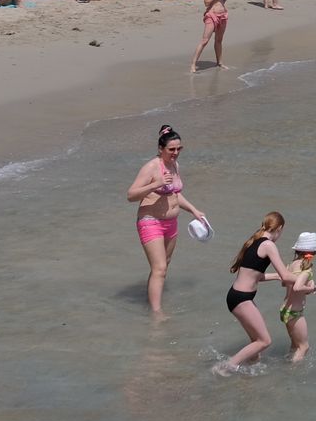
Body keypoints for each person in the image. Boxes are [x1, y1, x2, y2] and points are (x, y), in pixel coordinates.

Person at [127, 124, 207, 315]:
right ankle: (157, 314)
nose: (176, 153)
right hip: (150, 221)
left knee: (163, 266)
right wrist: (156, 184)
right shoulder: (151, 167)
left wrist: (193, 210)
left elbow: (175, 194)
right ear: (160, 149)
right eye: (171, 149)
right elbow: (131, 195)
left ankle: (151, 301)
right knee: (160, 268)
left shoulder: (174, 165)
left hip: (171, 224)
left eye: (179, 149)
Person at [219, 211, 303, 373]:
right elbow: (286, 276)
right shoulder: (268, 245)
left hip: (236, 296)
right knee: (264, 341)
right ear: (279, 228)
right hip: (242, 299)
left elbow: (255, 275)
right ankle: (225, 367)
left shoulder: (255, 242)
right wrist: (306, 282)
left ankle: (250, 374)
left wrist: (276, 276)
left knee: (256, 342)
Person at [266, 231, 316, 364]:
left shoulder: (291, 265)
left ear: (297, 250)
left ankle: (288, 363)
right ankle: (291, 371)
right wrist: (311, 288)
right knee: (304, 347)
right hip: (295, 312)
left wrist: (305, 287)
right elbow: (297, 287)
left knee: (295, 345)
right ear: (314, 252)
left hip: (285, 310)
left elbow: (284, 283)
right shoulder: (307, 269)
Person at [191, 0, 230, 72]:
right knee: (205, 40)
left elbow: (222, 1)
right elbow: (207, 3)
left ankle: (219, 62)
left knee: (219, 40)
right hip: (212, 15)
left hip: (223, 14)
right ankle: (193, 64)